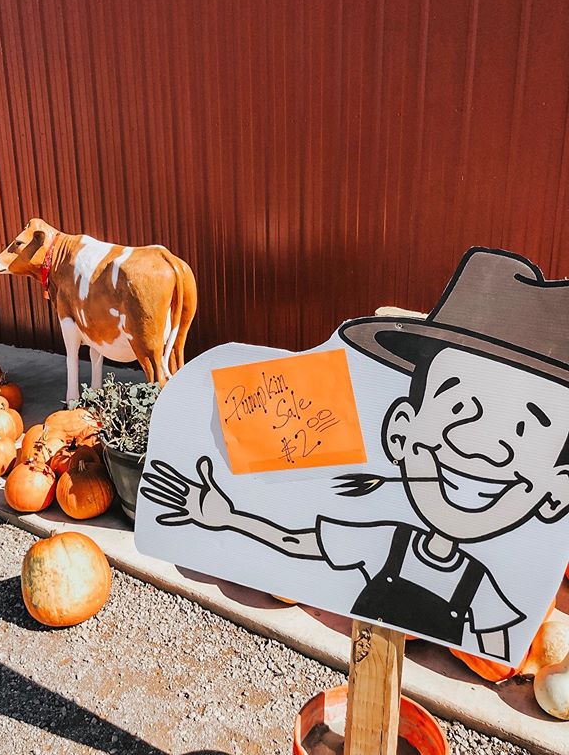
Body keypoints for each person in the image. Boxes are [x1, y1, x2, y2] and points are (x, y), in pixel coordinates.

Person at [142, 249, 569, 660]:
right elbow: (295, 539)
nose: (479, 447)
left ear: (558, 491)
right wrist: (228, 517)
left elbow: (496, 646)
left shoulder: (482, 588)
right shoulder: (385, 539)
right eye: (459, 407)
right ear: (399, 430)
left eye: (524, 428)